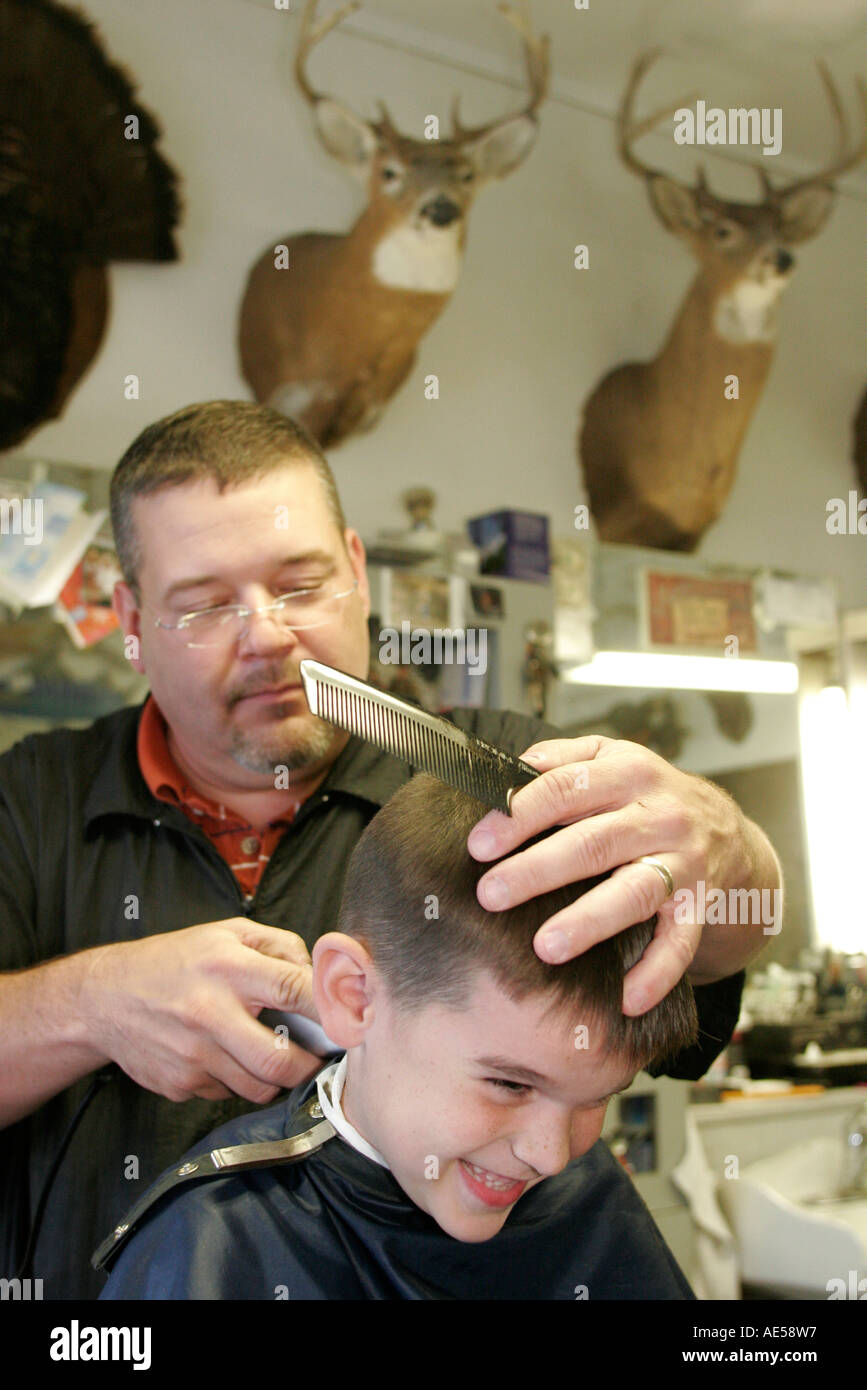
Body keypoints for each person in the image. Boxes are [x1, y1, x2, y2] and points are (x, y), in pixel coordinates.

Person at [0, 401, 780, 1299]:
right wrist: (88, 1005)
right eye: (206, 603)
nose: (267, 636)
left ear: (358, 572)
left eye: (299, 585)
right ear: (131, 619)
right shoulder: (30, 801)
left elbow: (692, 956)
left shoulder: (502, 779)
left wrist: (730, 854)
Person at [98, 774, 698, 1300]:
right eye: (510, 1084)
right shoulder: (213, 1242)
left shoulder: (586, 1195)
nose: (553, 1155)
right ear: (352, 996)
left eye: (598, 1098)